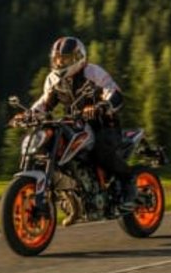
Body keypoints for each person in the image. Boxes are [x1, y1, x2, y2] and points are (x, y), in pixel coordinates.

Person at [14, 36, 135, 213]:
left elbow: (114, 91)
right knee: (53, 145)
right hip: (76, 123)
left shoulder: (92, 72)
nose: (60, 62)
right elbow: (44, 103)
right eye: (57, 58)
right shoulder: (54, 80)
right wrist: (28, 114)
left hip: (104, 125)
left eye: (64, 58)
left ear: (77, 58)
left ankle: (128, 181)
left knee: (101, 151)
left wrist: (103, 105)